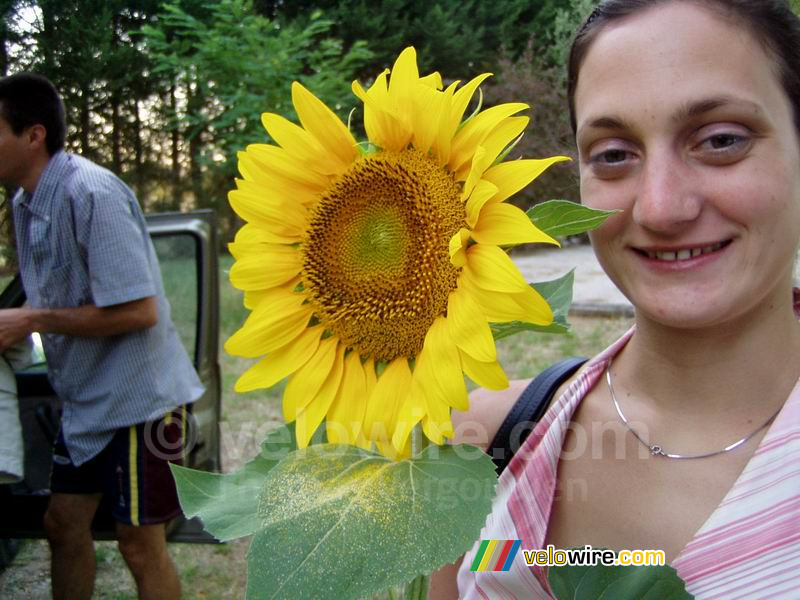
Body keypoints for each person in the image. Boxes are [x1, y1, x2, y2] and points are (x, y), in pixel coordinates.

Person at [430, 1, 800, 598]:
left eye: (721, 140)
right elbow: (609, 563)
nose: (660, 207)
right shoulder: (496, 437)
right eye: (614, 154)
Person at [0, 73, 205, 600]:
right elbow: (47, 291)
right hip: (88, 402)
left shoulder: (92, 192)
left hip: (144, 401)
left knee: (139, 543)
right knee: (62, 523)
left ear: (33, 135)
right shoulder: (24, 205)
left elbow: (138, 312)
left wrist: (30, 322)